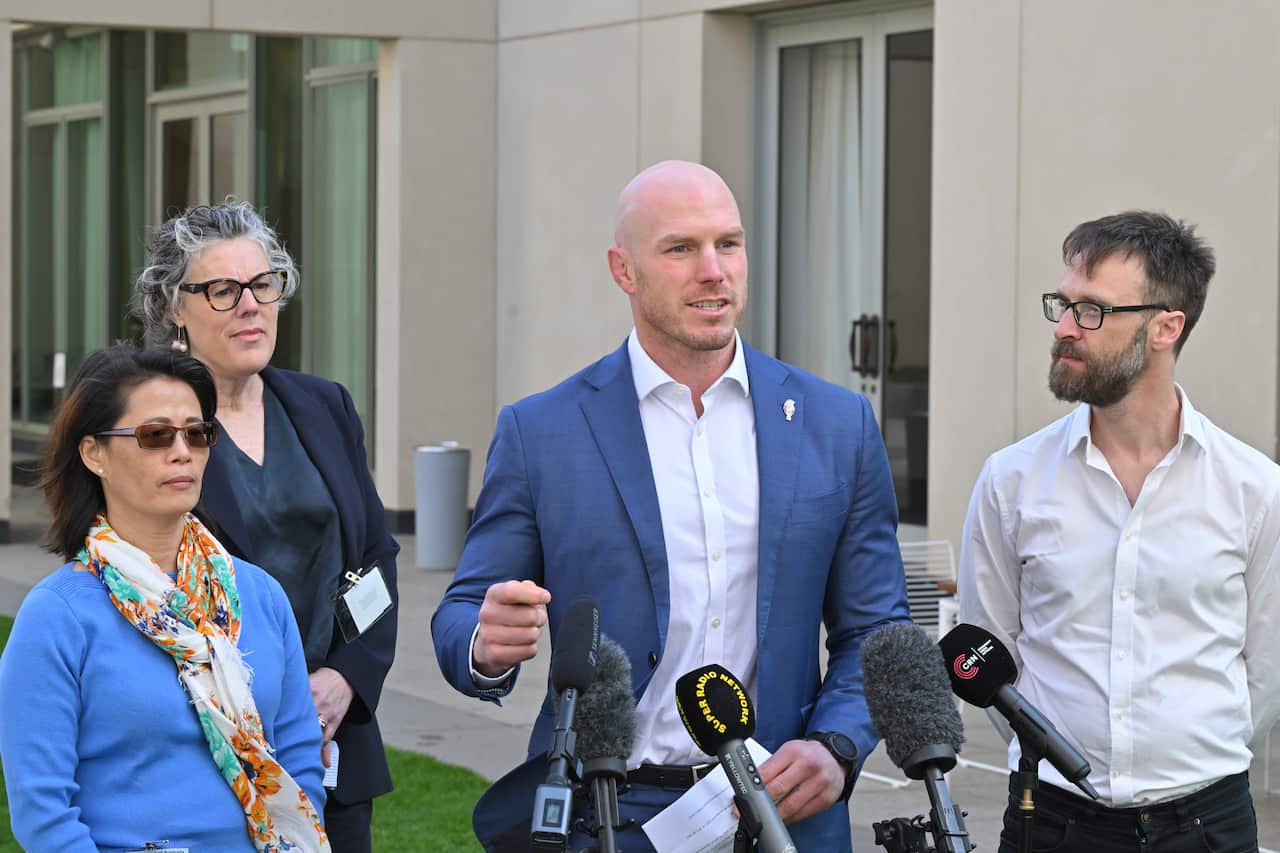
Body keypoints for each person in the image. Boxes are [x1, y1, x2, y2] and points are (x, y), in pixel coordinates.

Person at [432, 160, 910, 851]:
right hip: (609, 814)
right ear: (624, 270)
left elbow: (876, 628)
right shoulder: (543, 432)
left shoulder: (835, 425)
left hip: (781, 814)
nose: (713, 270)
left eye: (729, 243)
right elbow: (461, 611)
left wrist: (836, 745)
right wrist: (485, 643)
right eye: (681, 249)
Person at [958, 211, 1280, 852]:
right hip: (1050, 821)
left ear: (1166, 327)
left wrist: (1191, 756)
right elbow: (990, 658)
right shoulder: (1011, 481)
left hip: (1208, 827)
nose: (1065, 328)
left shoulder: (1254, 489)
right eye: (1064, 304)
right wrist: (1052, 754)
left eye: (1093, 311)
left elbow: (1266, 669)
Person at [134, 202, 399, 852]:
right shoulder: (145, 424)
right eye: (223, 290)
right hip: (208, 750)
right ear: (174, 306)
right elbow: (133, 586)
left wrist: (347, 677)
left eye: (264, 283)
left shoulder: (323, 404)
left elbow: (375, 555)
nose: (250, 305)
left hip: (335, 739)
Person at [0, 346, 328, 851]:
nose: (183, 452)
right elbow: (43, 814)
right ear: (94, 454)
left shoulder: (258, 594)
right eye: (155, 435)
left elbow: (300, 758)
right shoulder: (57, 616)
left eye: (197, 434)